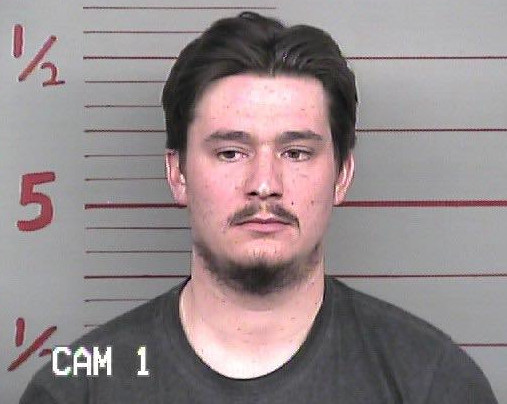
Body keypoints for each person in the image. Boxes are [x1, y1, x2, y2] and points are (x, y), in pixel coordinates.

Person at [20, 11, 498, 403]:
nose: (265, 184)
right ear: (178, 173)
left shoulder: (434, 383)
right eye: (231, 152)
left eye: (297, 153)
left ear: (342, 175)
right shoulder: (75, 387)